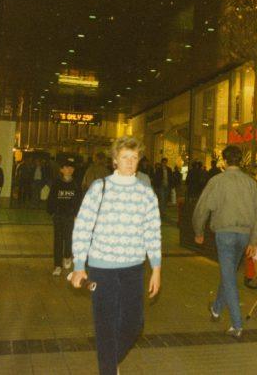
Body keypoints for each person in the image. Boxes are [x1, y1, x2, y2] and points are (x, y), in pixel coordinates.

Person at [70, 136, 161, 375]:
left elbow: (153, 231)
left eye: (134, 158)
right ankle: (108, 370)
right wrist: (80, 266)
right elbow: (82, 227)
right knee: (105, 325)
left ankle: (109, 362)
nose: (130, 162)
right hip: (102, 268)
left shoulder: (146, 193)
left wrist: (157, 269)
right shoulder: (99, 188)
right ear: (114, 161)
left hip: (133, 268)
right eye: (125, 158)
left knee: (134, 324)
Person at [192, 145, 257, 340]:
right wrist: (254, 240)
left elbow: (202, 208)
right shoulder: (251, 183)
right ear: (240, 161)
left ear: (224, 160)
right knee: (229, 272)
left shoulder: (217, 181)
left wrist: (198, 231)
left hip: (224, 233)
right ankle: (216, 309)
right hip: (243, 235)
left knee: (229, 277)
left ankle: (236, 324)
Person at [47, 159, 81, 275]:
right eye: (66, 167)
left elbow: (78, 200)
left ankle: (67, 256)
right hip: (58, 215)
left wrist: (77, 214)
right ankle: (57, 265)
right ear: (61, 170)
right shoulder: (56, 183)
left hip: (70, 216)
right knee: (58, 240)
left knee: (69, 238)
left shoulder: (76, 184)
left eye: (71, 168)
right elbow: (51, 199)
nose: (69, 170)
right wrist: (52, 212)